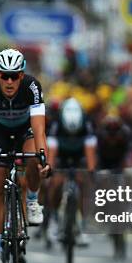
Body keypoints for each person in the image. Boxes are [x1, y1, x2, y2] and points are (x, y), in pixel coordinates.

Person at [0, 48, 51, 263]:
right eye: (4, 76)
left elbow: (38, 128)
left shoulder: (32, 86)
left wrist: (43, 155)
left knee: (34, 160)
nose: (9, 81)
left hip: (25, 130)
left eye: (14, 76)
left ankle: (33, 200)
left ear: (21, 75)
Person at [46, 98, 97, 246]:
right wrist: (50, 169)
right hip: (61, 154)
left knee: (83, 182)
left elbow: (90, 151)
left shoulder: (87, 124)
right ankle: (54, 220)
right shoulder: (57, 124)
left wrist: (91, 170)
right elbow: (52, 151)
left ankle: (82, 224)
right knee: (55, 183)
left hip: (80, 153)